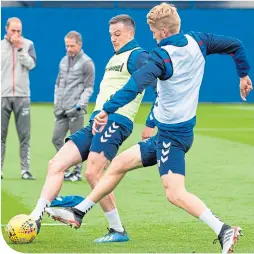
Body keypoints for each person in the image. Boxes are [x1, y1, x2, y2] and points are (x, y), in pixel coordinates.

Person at [47, 3, 253, 253]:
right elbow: (236, 45)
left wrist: (105, 110)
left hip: (171, 137)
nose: (153, 36)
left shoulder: (161, 57)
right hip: (175, 131)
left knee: (175, 193)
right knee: (119, 164)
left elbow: (133, 87)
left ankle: (223, 230)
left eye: (154, 32)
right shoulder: (199, 41)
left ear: (164, 32)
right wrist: (243, 75)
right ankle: (79, 212)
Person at [29, 14, 156, 243]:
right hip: (96, 122)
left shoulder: (139, 55)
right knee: (56, 164)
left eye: (118, 34)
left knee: (92, 172)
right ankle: (35, 217)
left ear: (131, 33)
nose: (113, 39)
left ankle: (116, 229)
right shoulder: (114, 58)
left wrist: (151, 121)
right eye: (111, 35)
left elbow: (158, 82)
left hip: (116, 121)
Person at [53, 31, 95, 182]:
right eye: (67, 46)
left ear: (80, 45)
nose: (69, 49)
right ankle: (67, 166)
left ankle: (77, 172)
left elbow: (89, 87)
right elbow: (58, 84)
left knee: (77, 143)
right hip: (62, 109)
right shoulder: (63, 61)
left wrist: (79, 106)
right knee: (56, 138)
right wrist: (56, 103)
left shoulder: (87, 63)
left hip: (76, 110)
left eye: (72, 46)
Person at [1, 17, 36, 180]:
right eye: (13, 30)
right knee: (1, 135)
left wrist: (20, 49)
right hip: (3, 96)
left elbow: (32, 65)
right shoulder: (0, 47)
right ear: (6, 29)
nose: (16, 34)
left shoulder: (28, 44)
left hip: (22, 96)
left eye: (19, 31)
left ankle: (25, 170)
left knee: (24, 136)